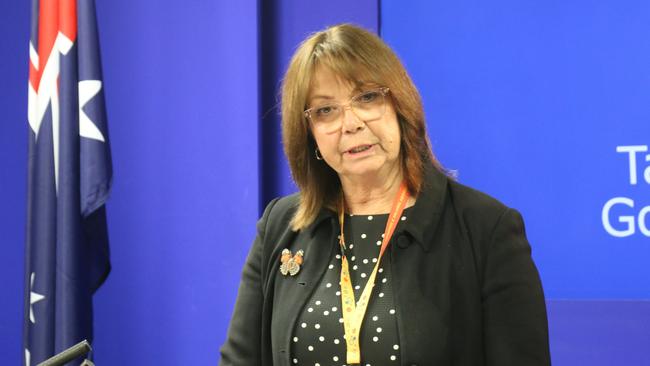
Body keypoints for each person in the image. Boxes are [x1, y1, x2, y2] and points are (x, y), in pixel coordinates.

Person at [219, 24, 550, 366]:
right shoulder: (281, 226)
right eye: (325, 110)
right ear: (309, 134)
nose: (350, 123)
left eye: (367, 97)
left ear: (399, 104)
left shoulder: (485, 228)